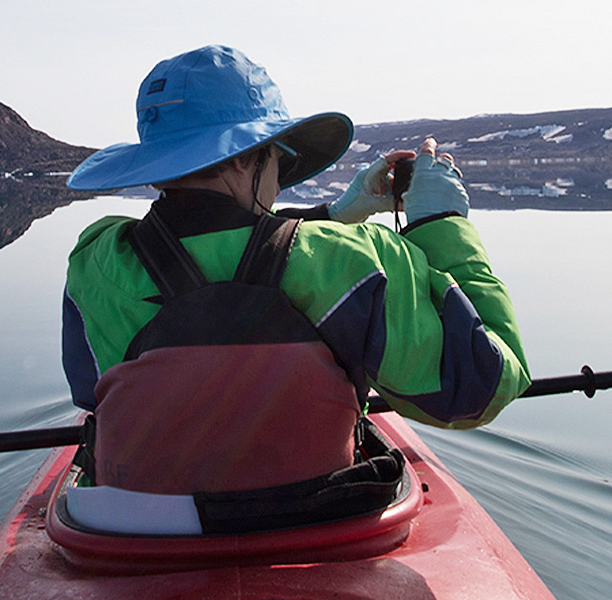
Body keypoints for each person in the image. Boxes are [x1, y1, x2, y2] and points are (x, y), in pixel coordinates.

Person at [60, 45, 529, 525]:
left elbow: (90, 392)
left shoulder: (95, 263)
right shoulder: (360, 262)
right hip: (320, 526)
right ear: (244, 159)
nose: (281, 183)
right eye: (279, 160)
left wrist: (335, 214)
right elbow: (487, 382)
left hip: (142, 535)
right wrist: (443, 224)